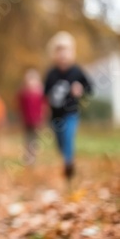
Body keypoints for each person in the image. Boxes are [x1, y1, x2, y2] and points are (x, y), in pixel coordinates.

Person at [44, 31, 92, 181]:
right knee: (60, 143)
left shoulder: (77, 72)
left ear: (72, 52)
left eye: (66, 51)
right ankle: (66, 157)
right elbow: (44, 93)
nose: (63, 55)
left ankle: (69, 163)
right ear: (54, 54)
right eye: (59, 51)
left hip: (71, 113)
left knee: (68, 136)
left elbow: (90, 88)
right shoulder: (51, 74)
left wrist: (80, 89)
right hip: (55, 116)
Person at [17, 68, 46, 165]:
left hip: (37, 120)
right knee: (27, 138)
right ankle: (28, 155)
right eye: (29, 80)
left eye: (33, 80)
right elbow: (20, 107)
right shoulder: (24, 94)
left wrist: (42, 117)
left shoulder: (40, 93)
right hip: (26, 120)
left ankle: (32, 156)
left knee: (35, 139)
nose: (31, 82)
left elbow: (43, 106)